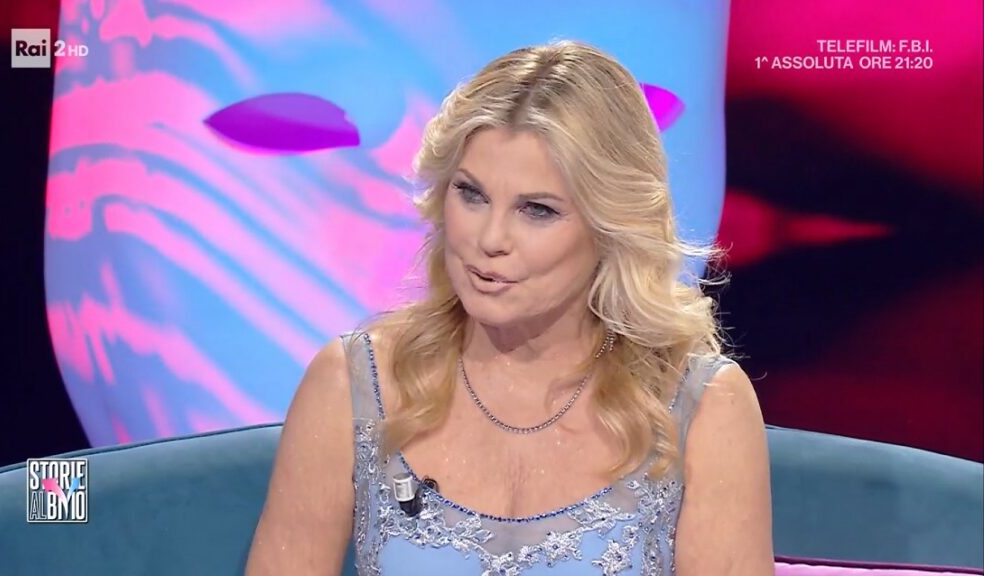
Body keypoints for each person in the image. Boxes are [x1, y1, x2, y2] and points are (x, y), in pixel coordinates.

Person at [245, 40, 773, 576]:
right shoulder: (355, 385)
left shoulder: (702, 407)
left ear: (611, 225)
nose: (490, 239)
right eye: (471, 194)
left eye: (537, 210)